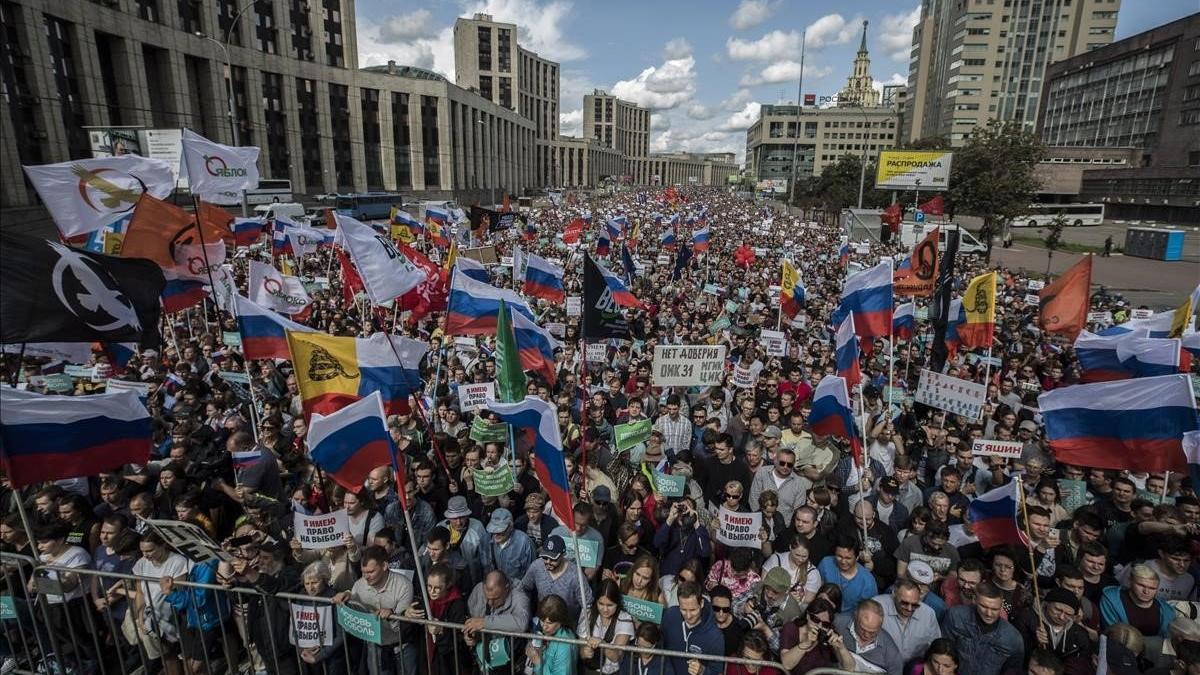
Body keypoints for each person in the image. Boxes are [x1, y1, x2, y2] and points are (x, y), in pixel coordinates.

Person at [333, 545, 415, 675]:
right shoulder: (359, 585)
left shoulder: (403, 585)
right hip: (375, 647)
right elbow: (353, 607)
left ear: (384, 566)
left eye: (371, 572)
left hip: (401, 647)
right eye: (363, 572)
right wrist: (346, 597)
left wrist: (392, 615)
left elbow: (404, 624)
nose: (366, 577)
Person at [939, 581, 1024, 675]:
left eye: (994, 609)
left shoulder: (1013, 638)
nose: (989, 613)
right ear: (974, 600)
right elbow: (943, 651)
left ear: (1001, 606)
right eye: (984, 606)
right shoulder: (955, 616)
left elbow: (1012, 672)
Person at [464, 571, 531, 675]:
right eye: (487, 598)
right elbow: (471, 618)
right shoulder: (478, 590)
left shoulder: (519, 596)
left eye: (495, 599)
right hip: (481, 656)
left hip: (508, 658)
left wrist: (485, 622)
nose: (490, 603)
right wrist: (470, 635)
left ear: (507, 588)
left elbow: (522, 623)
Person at [1013, 587, 1092, 675]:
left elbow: (1081, 665)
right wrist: (1034, 641)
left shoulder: (1080, 634)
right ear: (1047, 604)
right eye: (1058, 610)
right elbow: (1017, 654)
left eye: (1068, 614)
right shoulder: (1027, 618)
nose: (1061, 617)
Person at [519, 535, 592, 623]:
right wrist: (526, 612)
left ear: (563, 555)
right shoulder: (536, 566)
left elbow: (587, 604)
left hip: (567, 625)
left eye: (553, 559)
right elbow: (524, 588)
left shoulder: (576, 575)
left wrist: (581, 632)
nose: (548, 562)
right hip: (542, 621)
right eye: (545, 557)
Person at [662, 581, 724, 675]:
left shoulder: (715, 637)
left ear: (701, 603)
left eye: (693, 610)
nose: (688, 615)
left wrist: (702, 670)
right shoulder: (670, 615)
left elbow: (717, 672)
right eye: (683, 609)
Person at [875, 579, 942, 664]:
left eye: (915, 605)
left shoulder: (929, 614)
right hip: (881, 665)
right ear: (894, 594)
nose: (909, 609)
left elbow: (935, 647)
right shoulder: (877, 607)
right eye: (904, 603)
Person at [577, 579, 634, 675]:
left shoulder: (624, 618)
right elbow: (581, 648)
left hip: (611, 672)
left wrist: (603, 644)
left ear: (617, 603)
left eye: (610, 605)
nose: (605, 609)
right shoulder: (587, 613)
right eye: (601, 604)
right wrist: (584, 652)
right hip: (588, 670)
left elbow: (616, 656)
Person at [833, 599, 903, 675]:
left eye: (872, 632)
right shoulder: (839, 622)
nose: (866, 635)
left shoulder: (891, 652)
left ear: (880, 626)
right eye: (862, 629)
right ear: (855, 617)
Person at [816, 536, 878, 612]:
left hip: (849, 618)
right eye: (839, 556)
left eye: (848, 558)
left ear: (857, 557)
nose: (843, 561)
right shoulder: (825, 564)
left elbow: (869, 610)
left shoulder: (868, 582)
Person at [526, 594, 577, 675]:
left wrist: (537, 662)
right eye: (542, 620)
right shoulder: (548, 632)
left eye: (549, 623)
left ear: (561, 621)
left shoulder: (565, 644)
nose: (544, 627)